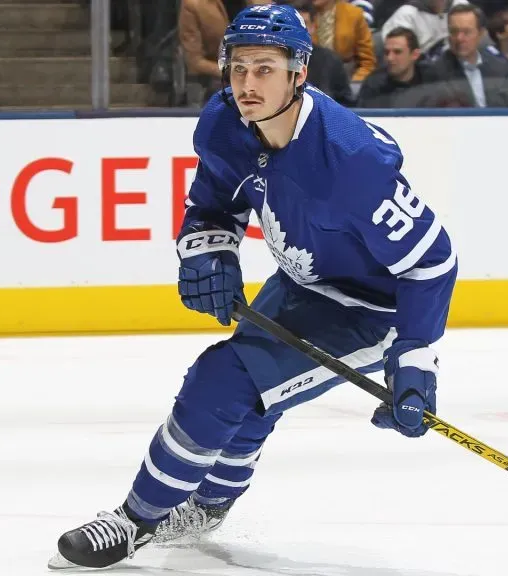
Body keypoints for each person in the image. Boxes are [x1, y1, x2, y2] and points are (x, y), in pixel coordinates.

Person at [47, 4, 457, 570]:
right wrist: (211, 251)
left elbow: (432, 261)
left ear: (299, 72)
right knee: (254, 398)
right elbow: (213, 204)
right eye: (238, 68)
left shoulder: (352, 161)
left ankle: (136, 522)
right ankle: (208, 506)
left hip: (369, 311)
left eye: (265, 68)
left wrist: (414, 356)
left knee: (223, 378)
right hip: (302, 283)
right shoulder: (223, 125)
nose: (247, 84)